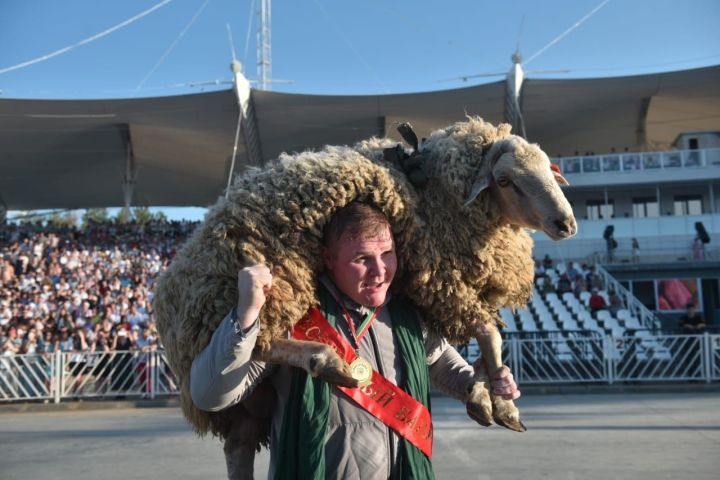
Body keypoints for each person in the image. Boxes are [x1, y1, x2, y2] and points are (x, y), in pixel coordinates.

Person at [190, 202, 520, 479]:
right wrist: (246, 316)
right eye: (362, 259)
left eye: (387, 254)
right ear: (328, 258)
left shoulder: (406, 314)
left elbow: (438, 360)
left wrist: (480, 383)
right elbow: (210, 395)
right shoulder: (294, 317)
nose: (381, 271)